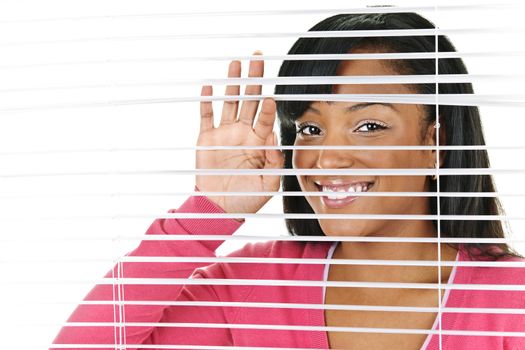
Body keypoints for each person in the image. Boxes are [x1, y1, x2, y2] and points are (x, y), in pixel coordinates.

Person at [52, 12, 525, 350]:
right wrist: (209, 212)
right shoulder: (256, 282)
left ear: (433, 140)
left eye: (367, 125)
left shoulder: (511, 300)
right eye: (310, 128)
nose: (326, 158)